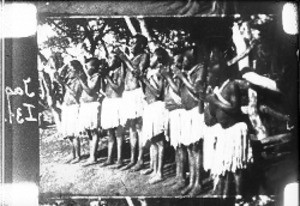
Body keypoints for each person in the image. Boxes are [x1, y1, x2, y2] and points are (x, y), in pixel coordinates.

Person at [205, 51, 253, 200]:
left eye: (213, 72)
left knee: (237, 167)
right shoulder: (217, 89)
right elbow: (211, 116)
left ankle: (240, 197)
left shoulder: (232, 86)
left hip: (234, 131)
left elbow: (234, 108)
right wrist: (207, 101)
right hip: (224, 132)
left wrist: (215, 101)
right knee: (225, 166)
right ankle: (225, 195)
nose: (210, 75)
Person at [173, 48, 207, 196]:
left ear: (192, 59)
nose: (182, 62)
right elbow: (179, 92)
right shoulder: (186, 72)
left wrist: (181, 76)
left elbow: (196, 90)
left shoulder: (200, 69)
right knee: (189, 148)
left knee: (196, 148)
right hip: (187, 113)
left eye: (185, 59)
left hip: (196, 112)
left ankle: (198, 183)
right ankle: (192, 181)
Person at [115, 34, 150, 171]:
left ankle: (141, 159)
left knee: (139, 127)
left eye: (134, 43)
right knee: (131, 128)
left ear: (141, 45)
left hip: (136, 93)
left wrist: (124, 58)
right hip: (128, 94)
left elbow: (138, 72)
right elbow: (125, 77)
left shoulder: (144, 56)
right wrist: (123, 61)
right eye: (130, 42)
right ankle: (132, 159)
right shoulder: (131, 58)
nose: (131, 45)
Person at [139, 47, 169, 184]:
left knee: (159, 141)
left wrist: (144, 80)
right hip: (150, 107)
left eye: (153, 57)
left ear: (159, 59)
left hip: (157, 107)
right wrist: (142, 79)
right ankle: (154, 168)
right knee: (153, 141)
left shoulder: (159, 73)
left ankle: (160, 173)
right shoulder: (151, 72)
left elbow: (158, 93)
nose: (150, 59)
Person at [100, 54, 125, 168]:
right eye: (108, 58)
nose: (109, 60)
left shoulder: (120, 71)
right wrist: (103, 76)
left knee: (119, 133)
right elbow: (103, 89)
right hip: (109, 102)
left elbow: (118, 88)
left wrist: (107, 77)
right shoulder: (109, 72)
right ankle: (110, 158)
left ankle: (120, 159)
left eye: (111, 58)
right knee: (110, 133)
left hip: (117, 102)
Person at [76, 58, 102, 166]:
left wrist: (80, 80)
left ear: (94, 67)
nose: (86, 69)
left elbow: (90, 91)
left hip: (92, 106)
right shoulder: (88, 77)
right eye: (85, 66)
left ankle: (93, 157)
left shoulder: (97, 77)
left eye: (88, 66)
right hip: (85, 106)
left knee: (94, 131)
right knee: (89, 132)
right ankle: (92, 154)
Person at [57, 60, 83, 163]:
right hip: (67, 107)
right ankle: (73, 154)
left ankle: (78, 156)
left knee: (74, 133)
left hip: (73, 107)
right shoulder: (70, 79)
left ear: (76, 70)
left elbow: (74, 94)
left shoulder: (78, 80)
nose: (68, 71)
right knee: (69, 134)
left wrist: (64, 84)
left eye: (71, 69)